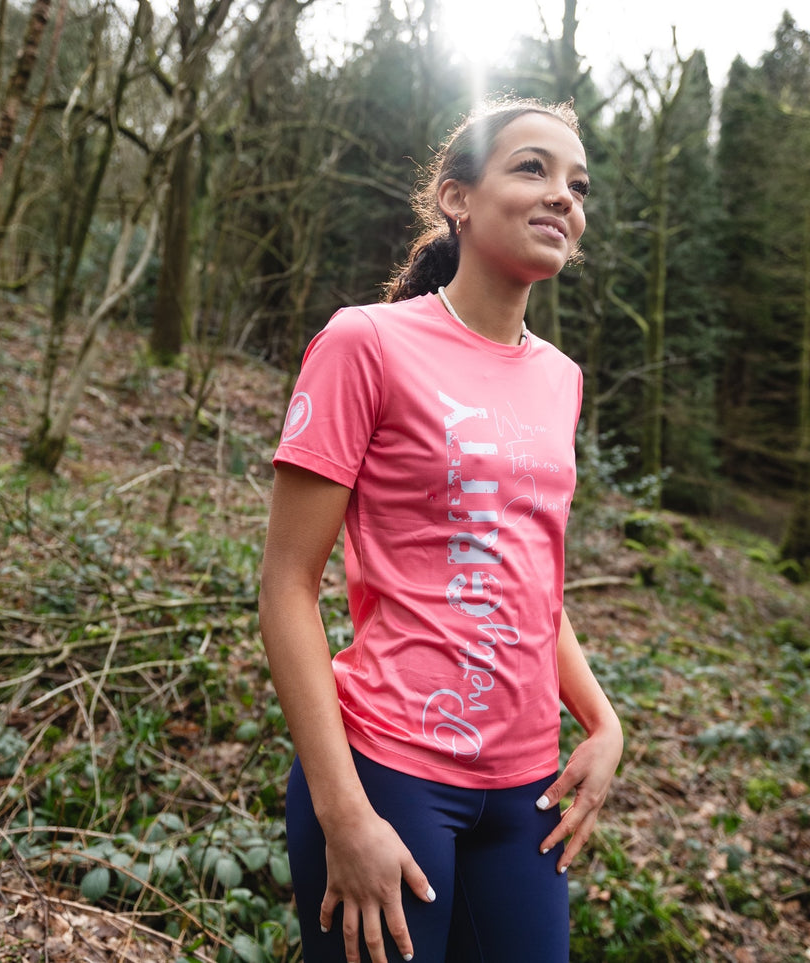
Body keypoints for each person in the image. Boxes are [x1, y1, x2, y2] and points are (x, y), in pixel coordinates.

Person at [258, 97, 623, 963]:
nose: (562, 196)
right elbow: (285, 587)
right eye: (531, 168)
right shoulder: (365, 344)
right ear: (455, 199)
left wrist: (602, 722)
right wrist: (342, 809)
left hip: (527, 795)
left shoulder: (560, 378)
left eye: (578, 183)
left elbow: (527, 583)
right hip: (390, 773)